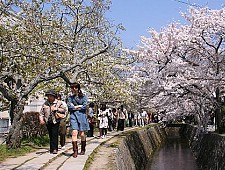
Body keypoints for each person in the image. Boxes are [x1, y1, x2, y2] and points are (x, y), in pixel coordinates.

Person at [39, 89, 66, 154]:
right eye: (48, 96)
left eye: (51, 96)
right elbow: (41, 113)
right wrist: (41, 120)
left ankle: (55, 149)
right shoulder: (45, 103)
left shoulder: (59, 103)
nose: (49, 97)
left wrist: (56, 109)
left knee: (55, 134)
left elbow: (63, 110)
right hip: (48, 121)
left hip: (55, 120)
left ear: (54, 96)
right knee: (50, 135)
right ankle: (51, 148)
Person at [67, 82, 89, 158]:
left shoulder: (84, 96)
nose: (73, 89)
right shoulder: (70, 97)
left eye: (75, 88)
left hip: (82, 116)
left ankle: (83, 148)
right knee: (74, 132)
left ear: (78, 88)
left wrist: (76, 107)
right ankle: (75, 150)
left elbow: (85, 106)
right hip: (73, 116)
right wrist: (78, 107)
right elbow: (69, 106)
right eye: (72, 88)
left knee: (82, 134)